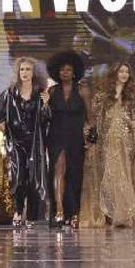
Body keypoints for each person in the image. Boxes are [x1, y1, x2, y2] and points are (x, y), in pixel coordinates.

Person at [83, 63, 135, 228]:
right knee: (111, 176)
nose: (124, 74)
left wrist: (133, 124)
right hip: (108, 142)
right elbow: (94, 119)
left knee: (124, 174)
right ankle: (122, 211)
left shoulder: (133, 96)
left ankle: (124, 213)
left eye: (127, 71)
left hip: (127, 142)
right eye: (121, 71)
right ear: (114, 73)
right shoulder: (103, 97)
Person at [0, 57, 51, 226]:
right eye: (22, 69)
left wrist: (46, 104)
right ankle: (18, 211)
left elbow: (47, 119)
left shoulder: (41, 93)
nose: (25, 73)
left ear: (34, 72)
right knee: (19, 178)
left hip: (35, 142)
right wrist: (5, 131)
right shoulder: (9, 93)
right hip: (16, 142)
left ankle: (33, 216)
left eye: (28, 69)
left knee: (34, 178)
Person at [44, 51, 93, 227]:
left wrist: (90, 136)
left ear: (75, 72)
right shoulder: (51, 91)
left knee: (74, 174)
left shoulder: (82, 90)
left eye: (68, 70)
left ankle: (74, 213)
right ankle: (59, 210)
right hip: (56, 135)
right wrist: (44, 104)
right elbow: (46, 117)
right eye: (62, 70)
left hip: (76, 136)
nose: (65, 73)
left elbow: (90, 116)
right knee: (58, 169)